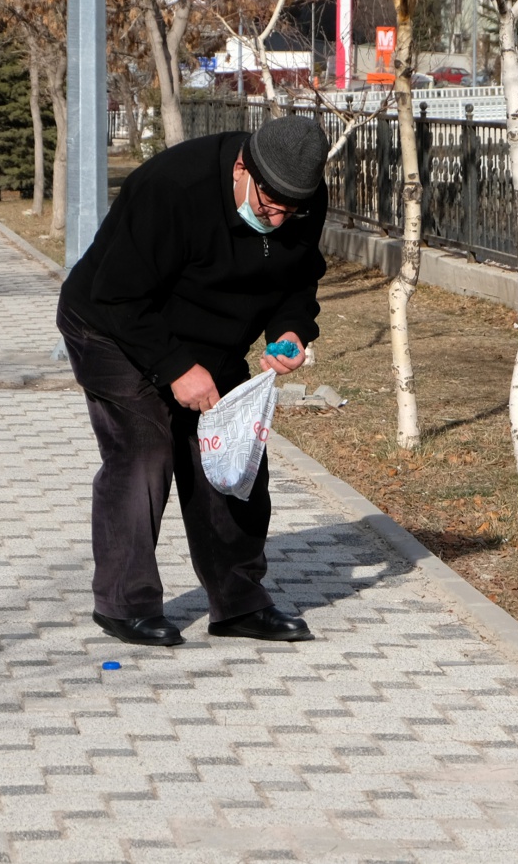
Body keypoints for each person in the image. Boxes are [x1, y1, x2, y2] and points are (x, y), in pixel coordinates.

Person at [56, 115, 330, 647]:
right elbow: (119, 295)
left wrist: (292, 329)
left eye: (289, 211)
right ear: (241, 168)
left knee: (230, 458)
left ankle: (239, 603)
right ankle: (124, 603)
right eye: (268, 205)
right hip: (112, 326)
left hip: (211, 341)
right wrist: (176, 368)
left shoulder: (301, 194)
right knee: (146, 451)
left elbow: (300, 275)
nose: (276, 219)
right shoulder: (172, 188)